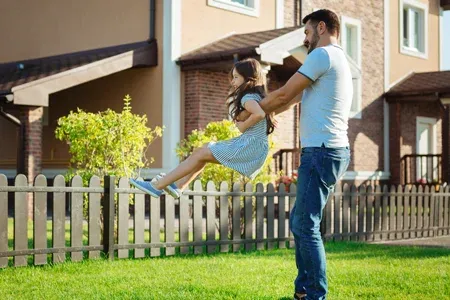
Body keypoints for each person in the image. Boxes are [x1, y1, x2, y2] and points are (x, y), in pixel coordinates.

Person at [237, 9, 352, 300]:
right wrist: (265, 114)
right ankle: (304, 290)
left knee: (305, 223)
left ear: (322, 27)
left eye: (307, 31)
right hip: (330, 150)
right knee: (301, 221)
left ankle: (314, 294)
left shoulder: (322, 55)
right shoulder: (337, 60)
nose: (305, 38)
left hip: (321, 151)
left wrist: (247, 117)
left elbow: (283, 95)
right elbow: (289, 101)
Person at [130, 58, 275, 199]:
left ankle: (157, 186)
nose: (232, 81)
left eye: (236, 77)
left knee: (201, 153)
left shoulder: (247, 97)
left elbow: (259, 114)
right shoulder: (257, 96)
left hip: (249, 146)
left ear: (248, 78)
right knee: (202, 153)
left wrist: (243, 125)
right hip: (254, 146)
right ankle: (179, 185)